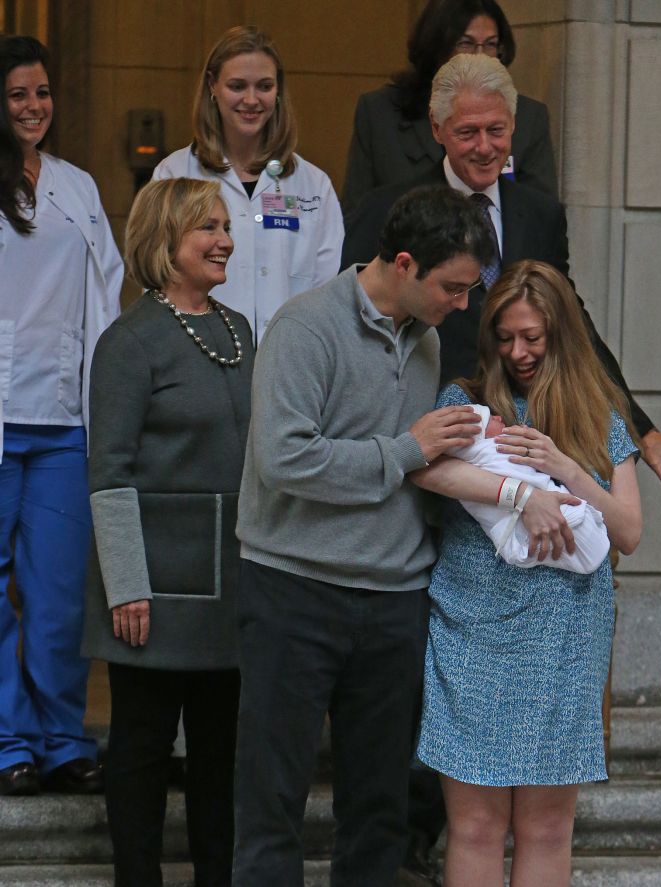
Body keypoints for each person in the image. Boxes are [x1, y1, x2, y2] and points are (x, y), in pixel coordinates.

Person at [231, 186, 496, 887]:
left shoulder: (428, 342)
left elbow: (415, 463)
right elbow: (284, 459)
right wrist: (404, 450)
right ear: (404, 263)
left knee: (379, 812)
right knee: (271, 806)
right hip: (293, 590)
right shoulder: (304, 328)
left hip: (393, 600)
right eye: (452, 287)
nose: (462, 305)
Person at [341, 53, 661, 488]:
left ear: (514, 123)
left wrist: (643, 429)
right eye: (467, 132)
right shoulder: (386, 210)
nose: (485, 147)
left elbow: (572, 324)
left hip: (528, 438)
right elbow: (355, 326)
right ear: (437, 129)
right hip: (427, 446)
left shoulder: (540, 213)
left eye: (497, 130)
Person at [412, 260, 642, 886]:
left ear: (560, 335)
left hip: (565, 632)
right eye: (506, 337)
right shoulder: (465, 400)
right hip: (473, 627)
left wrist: (564, 467)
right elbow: (424, 468)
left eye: (533, 338)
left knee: (545, 828)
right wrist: (518, 489)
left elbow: (628, 530)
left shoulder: (601, 415)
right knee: (477, 826)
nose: (518, 352)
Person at [82, 178, 254, 887]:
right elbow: (110, 469)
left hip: (231, 576)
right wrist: (127, 582)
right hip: (151, 581)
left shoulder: (241, 329)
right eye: (205, 229)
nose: (223, 240)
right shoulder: (129, 341)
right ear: (164, 242)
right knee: (143, 750)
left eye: (224, 225)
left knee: (221, 754)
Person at [0, 35, 122, 797]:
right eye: (16, 95)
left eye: (41, 93)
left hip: (63, 424)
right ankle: (7, 736)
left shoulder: (77, 186)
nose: (32, 107)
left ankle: (61, 738)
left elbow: (107, 296)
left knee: (56, 596)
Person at [153, 25, 343, 344]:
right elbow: (156, 281)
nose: (251, 100)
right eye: (237, 86)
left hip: (289, 361)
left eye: (264, 86)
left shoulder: (313, 184)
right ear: (213, 85)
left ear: (278, 90)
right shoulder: (173, 174)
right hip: (199, 356)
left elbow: (326, 294)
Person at [341, 0, 557, 214]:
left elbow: (540, 220)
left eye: (491, 44)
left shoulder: (529, 117)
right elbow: (356, 217)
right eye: (466, 43)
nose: (479, 55)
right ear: (437, 47)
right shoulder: (381, 113)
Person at [448, 405, 610, 574]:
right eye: (490, 418)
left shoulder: (604, 414)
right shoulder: (486, 448)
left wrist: (569, 470)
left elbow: (629, 536)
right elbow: (428, 468)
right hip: (513, 540)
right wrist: (525, 497)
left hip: (586, 582)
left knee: (584, 541)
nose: (499, 418)